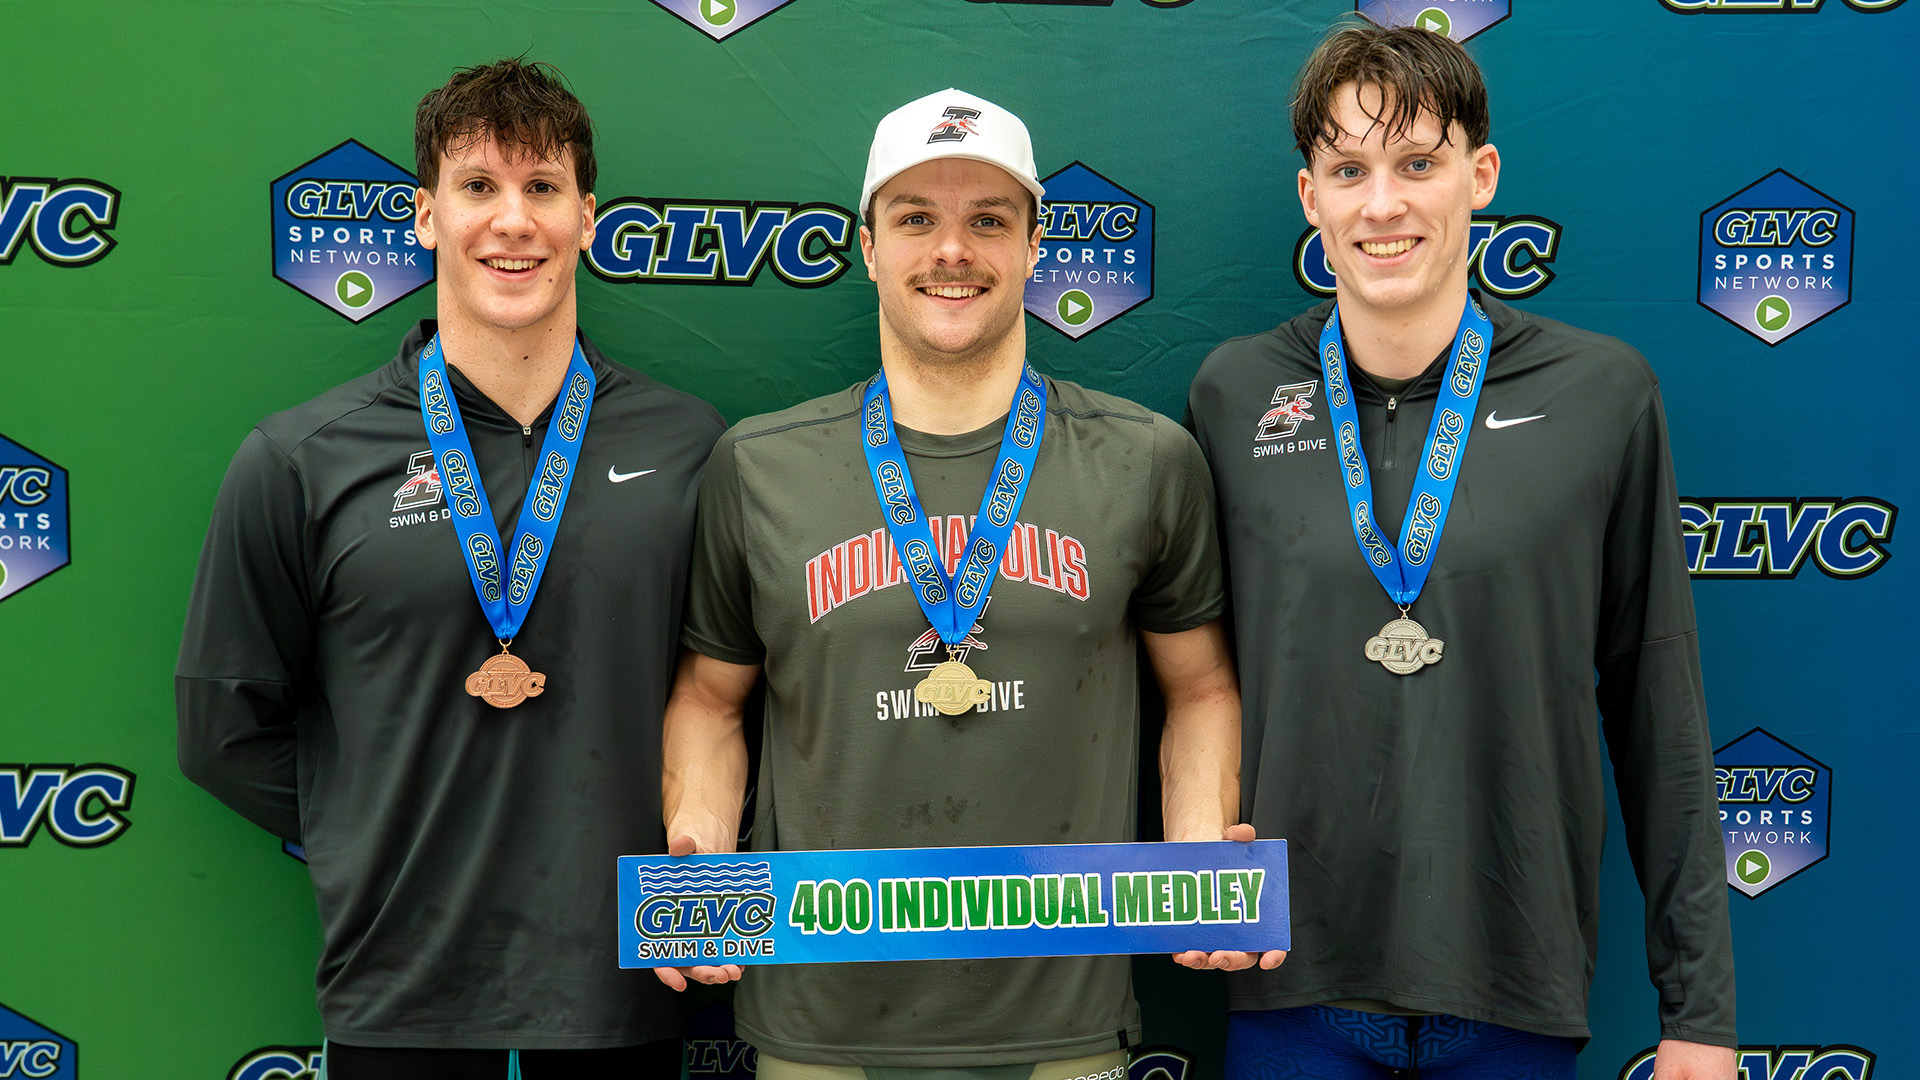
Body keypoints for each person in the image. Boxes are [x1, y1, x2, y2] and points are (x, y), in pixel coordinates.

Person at [655, 87, 1278, 1078]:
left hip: (1065, 1028)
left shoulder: (1146, 459)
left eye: (989, 219)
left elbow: (1199, 688)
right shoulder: (758, 466)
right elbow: (707, 699)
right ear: (866, 246)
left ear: (1036, 246)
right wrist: (700, 845)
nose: (953, 251)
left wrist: (1198, 861)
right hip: (819, 1028)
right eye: (917, 219)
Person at [1185, 23, 1737, 1080]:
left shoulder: (1601, 393)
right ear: (1311, 197)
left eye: (1418, 164)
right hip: (1289, 989)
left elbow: (1656, 704)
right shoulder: (1232, 393)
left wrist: (1700, 1014)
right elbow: (1189, 686)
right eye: (1348, 168)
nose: (1382, 204)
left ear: (1479, 176)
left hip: (1513, 993)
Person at [176, 59, 723, 1079]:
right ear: (425, 216)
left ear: (588, 218)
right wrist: (369, 820)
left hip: (630, 983)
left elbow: (736, 693)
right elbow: (220, 727)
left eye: (542, 187)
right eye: (479, 186)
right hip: (401, 984)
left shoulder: (693, 446)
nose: (511, 220)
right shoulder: (304, 458)